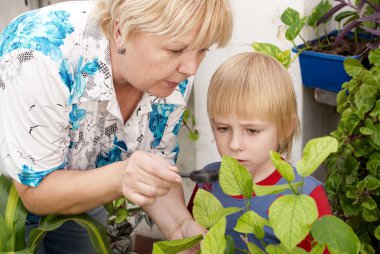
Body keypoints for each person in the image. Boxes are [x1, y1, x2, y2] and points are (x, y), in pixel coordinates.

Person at [0, 0, 233, 253]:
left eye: (202, 50)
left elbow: (154, 168)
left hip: (84, 184)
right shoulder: (40, 56)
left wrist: (181, 228)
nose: (191, 68)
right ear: (121, 31)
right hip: (10, 192)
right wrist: (120, 177)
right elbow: (35, 191)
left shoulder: (174, 76)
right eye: (176, 50)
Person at [187, 52, 331, 252]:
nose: (235, 144)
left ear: (286, 127)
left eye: (252, 131)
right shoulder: (207, 183)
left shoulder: (306, 194)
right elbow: (189, 242)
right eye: (223, 128)